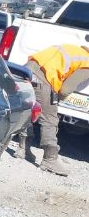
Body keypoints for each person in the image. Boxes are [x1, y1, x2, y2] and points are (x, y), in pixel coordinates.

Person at [23, 44, 89, 176]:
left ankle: (22, 148)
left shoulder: (75, 50)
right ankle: (50, 159)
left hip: (26, 70)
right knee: (50, 119)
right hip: (43, 78)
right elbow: (66, 89)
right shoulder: (87, 63)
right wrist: (58, 98)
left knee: (26, 111)